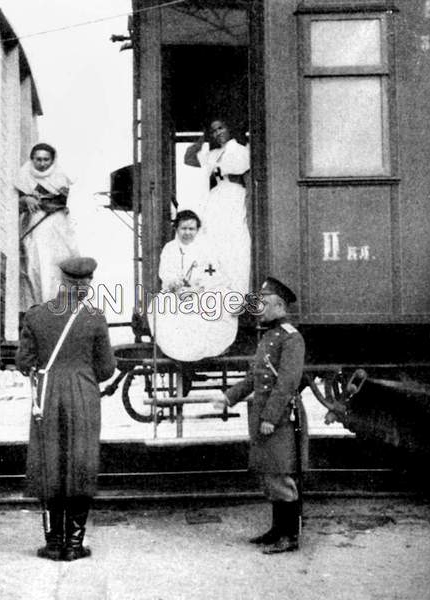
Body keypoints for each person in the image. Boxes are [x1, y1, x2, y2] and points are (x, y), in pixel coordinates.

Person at [16, 256, 116, 561]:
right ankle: (74, 544)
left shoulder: (36, 316)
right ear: (85, 284)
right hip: (84, 396)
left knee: (50, 466)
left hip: (46, 397)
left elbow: (23, 363)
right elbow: (107, 368)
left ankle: (54, 543)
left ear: (63, 282)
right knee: (80, 466)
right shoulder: (95, 317)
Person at [214, 277, 307, 554]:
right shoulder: (268, 336)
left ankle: (289, 536)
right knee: (269, 474)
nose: (259, 308)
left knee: (281, 476)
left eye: (264, 303)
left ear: (279, 305)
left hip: (277, 419)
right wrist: (228, 397)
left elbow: (287, 383)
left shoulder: (291, 337)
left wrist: (270, 417)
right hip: (264, 418)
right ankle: (277, 530)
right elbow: (255, 378)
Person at [153, 209, 238, 362]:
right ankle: (179, 350)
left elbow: (215, 274)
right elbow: (166, 272)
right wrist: (176, 285)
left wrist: (198, 288)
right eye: (183, 228)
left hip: (202, 291)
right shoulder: (170, 248)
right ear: (176, 229)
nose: (187, 233)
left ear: (198, 230)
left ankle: (206, 349)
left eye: (191, 229)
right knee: (163, 306)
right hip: (177, 293)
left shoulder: (206, 249)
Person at [184, 118, 251, 295]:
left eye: (221, 128)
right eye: (213, 131)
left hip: (234, 195)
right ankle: (218, 288)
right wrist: (202, 138)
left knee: (236, 242)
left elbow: (247, 178)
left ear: (229, 128)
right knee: (214, 241)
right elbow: (189, 157)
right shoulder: (213, 154)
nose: (218, 133)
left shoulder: (241, 150)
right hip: (217, 197)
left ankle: (237, 290)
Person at [16, 142, 79, 310]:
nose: (42, 164)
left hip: (57, 226)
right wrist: (25, 199)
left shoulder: (62, 176)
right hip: (35, 226)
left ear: (52, 160)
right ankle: (39, 306)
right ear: (32, 160)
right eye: (38, 159)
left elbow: (67, 202)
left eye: (46, 160)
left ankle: (57, 306)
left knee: (57, 267)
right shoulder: (23, 175)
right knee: (35, 266)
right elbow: (13, 201)